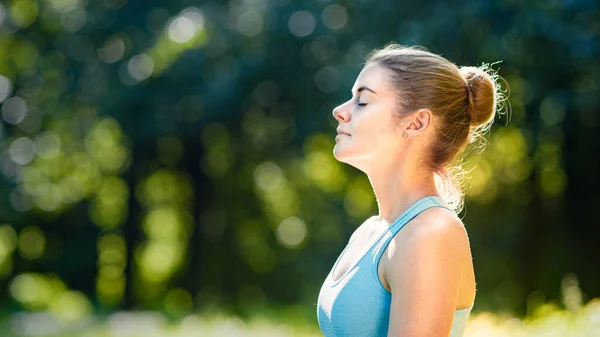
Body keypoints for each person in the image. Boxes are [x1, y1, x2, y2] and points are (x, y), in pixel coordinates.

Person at [316, 43, 507, 337]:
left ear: (416, 122)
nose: (339, 111)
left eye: (362, 101)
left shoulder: (430, 233)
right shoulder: (370, 232)